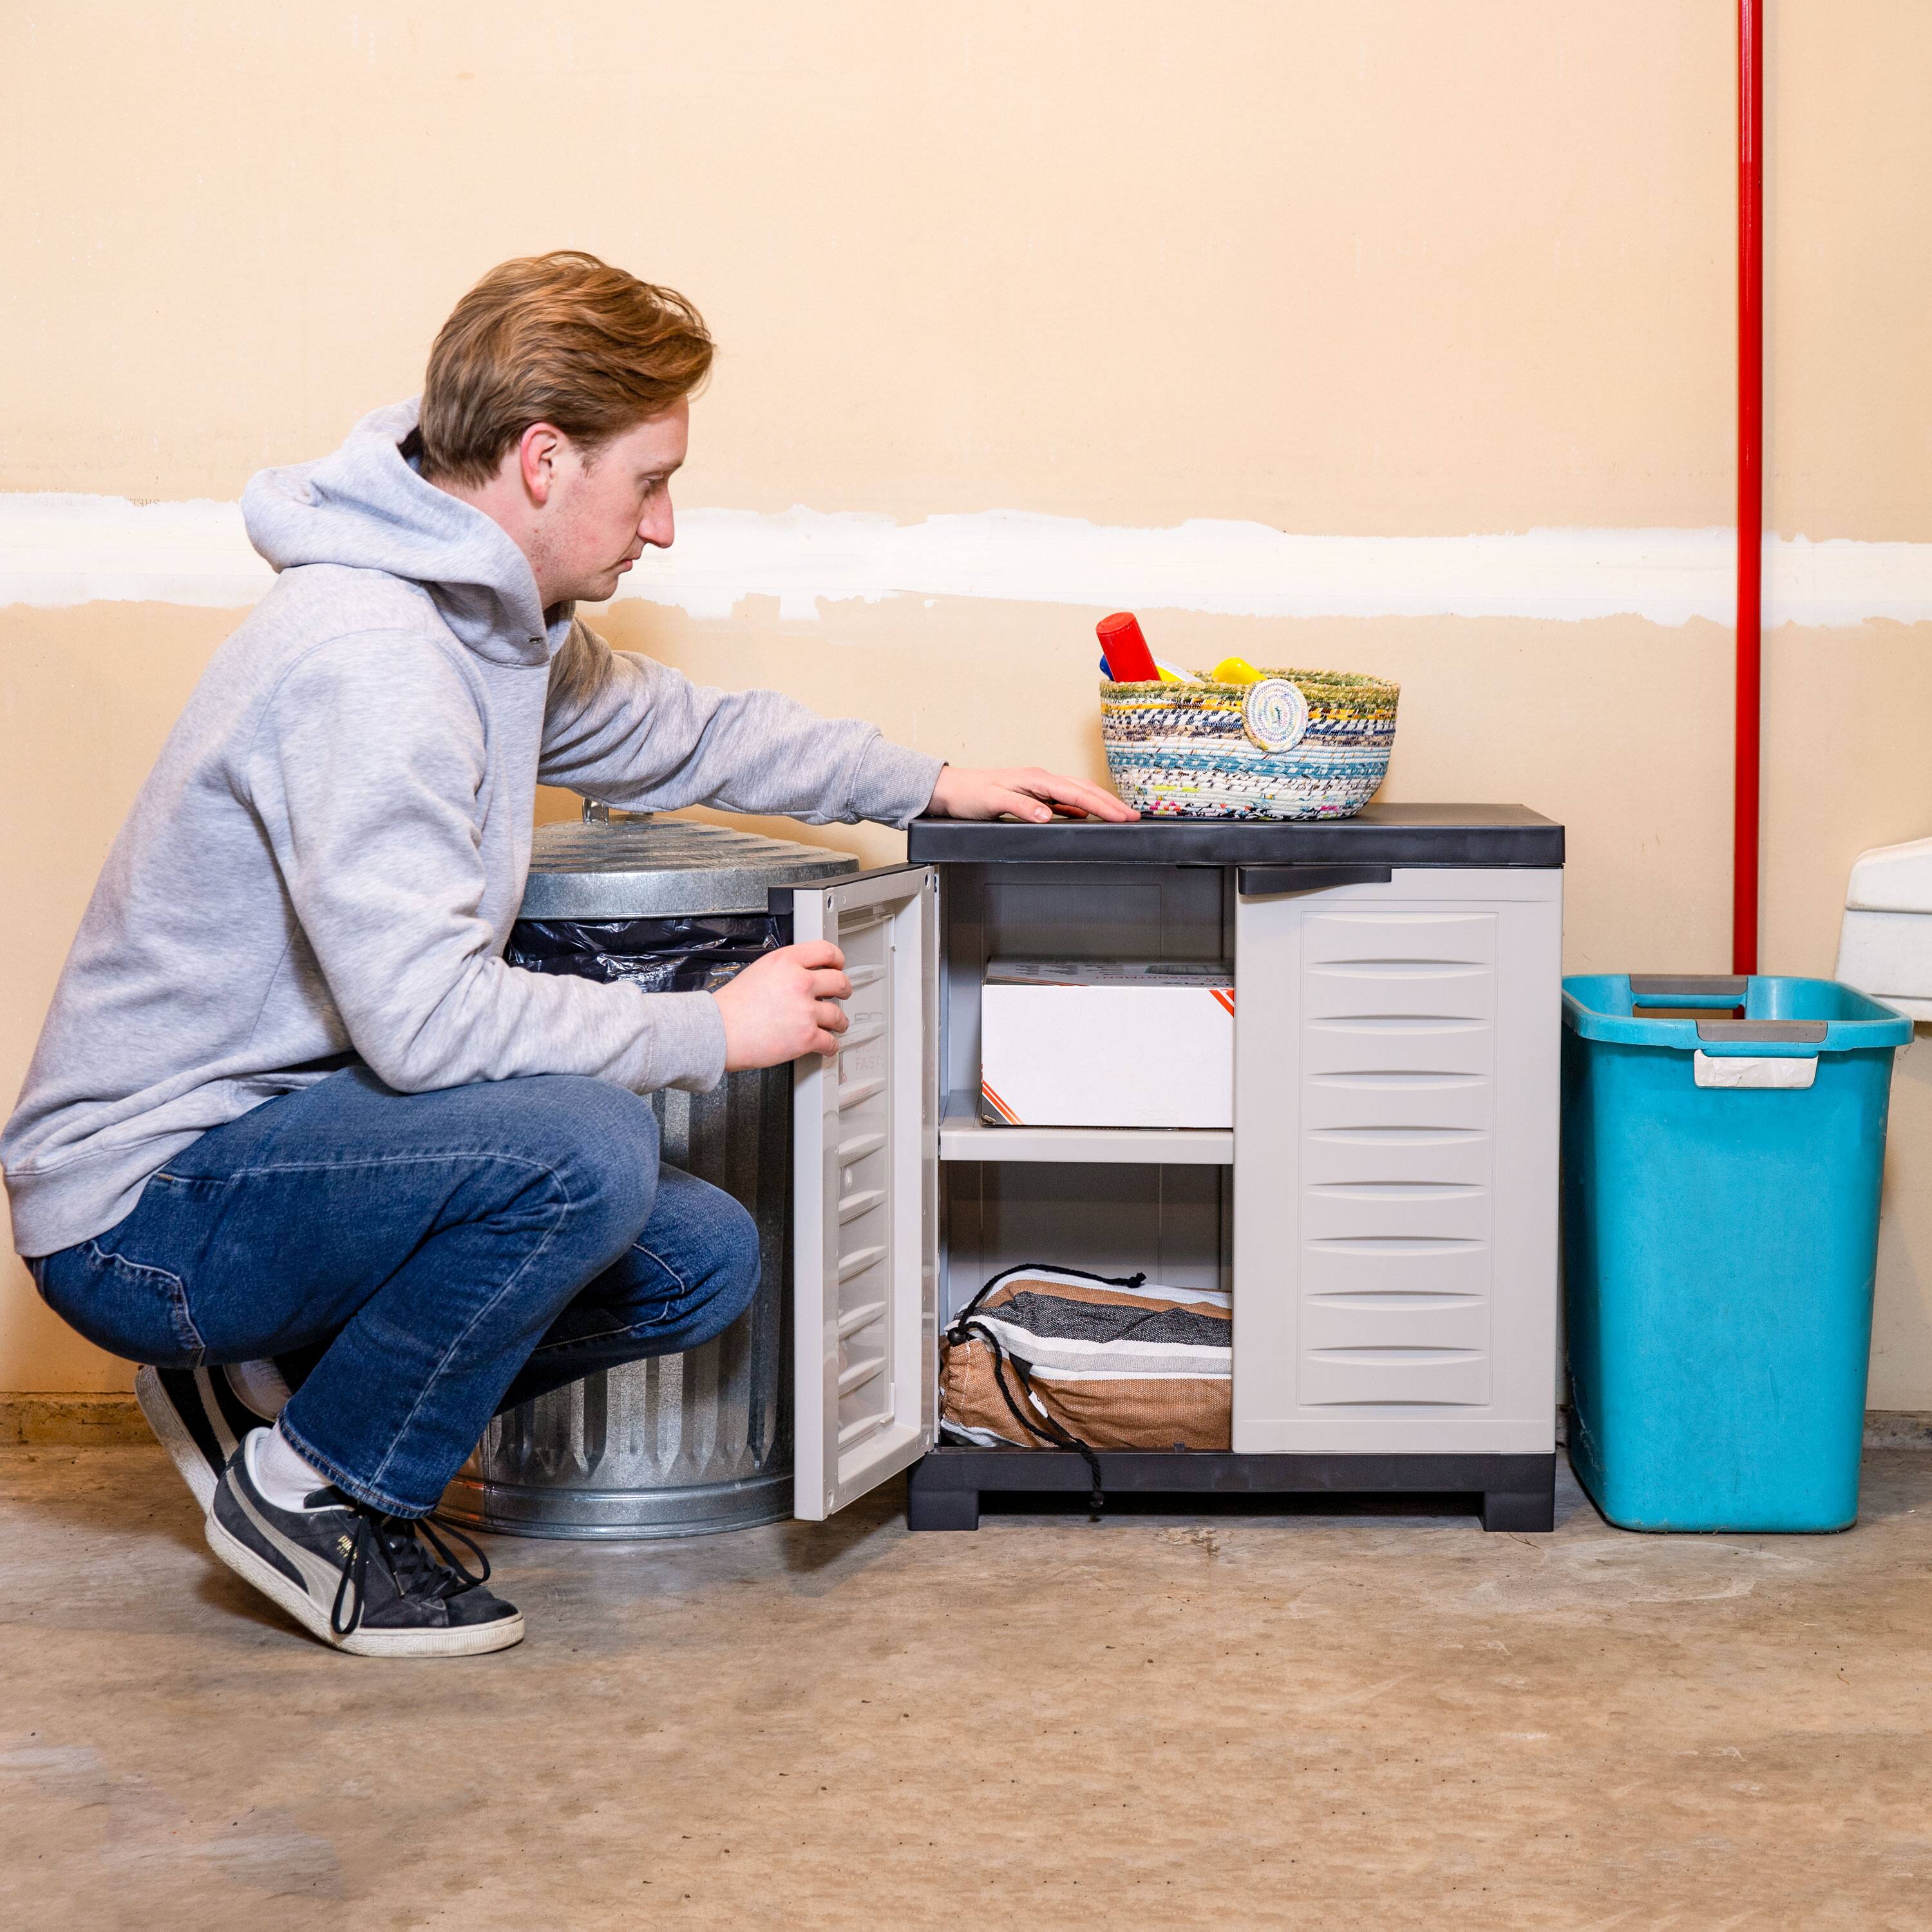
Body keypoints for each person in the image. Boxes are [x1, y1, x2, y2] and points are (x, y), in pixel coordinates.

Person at [1, 250, 1132, 1658]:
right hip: (143, 1208)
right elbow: (426, 1031)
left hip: (277, 1153)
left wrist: (930, 777)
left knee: (698, 1260)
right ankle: (315, 1491)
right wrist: (714, 1031)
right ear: (544, 460)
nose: (663, 528)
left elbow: (689, 734)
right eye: (649, 480)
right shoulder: (373, 659)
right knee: (584, 1148)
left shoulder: (496, 627)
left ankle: (286, 1390)